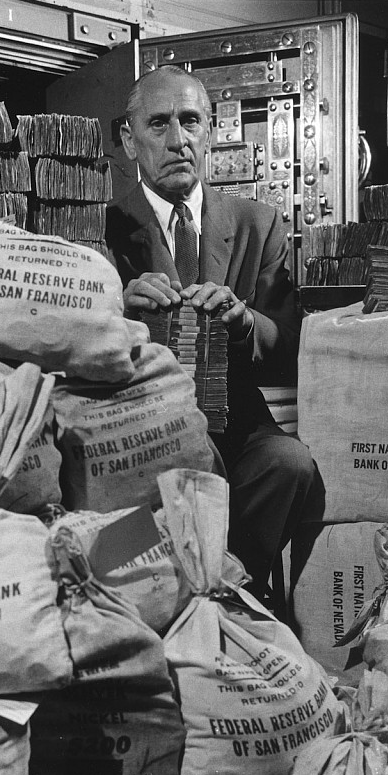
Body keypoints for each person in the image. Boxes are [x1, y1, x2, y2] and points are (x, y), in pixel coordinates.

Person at [105, 65, 319, 601]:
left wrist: (245, 321)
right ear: (130, 140)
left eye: (190, 121)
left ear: (211, 132)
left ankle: (231, 592)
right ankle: (157, 600)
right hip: (139, 430)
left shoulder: (257, 223)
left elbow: (289, 345)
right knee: (124, 506)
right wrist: (115, 309)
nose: (178, 139)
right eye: (158, 124)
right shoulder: (102, 227)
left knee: (291, 464)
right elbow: (64, 340)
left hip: (236, 428)